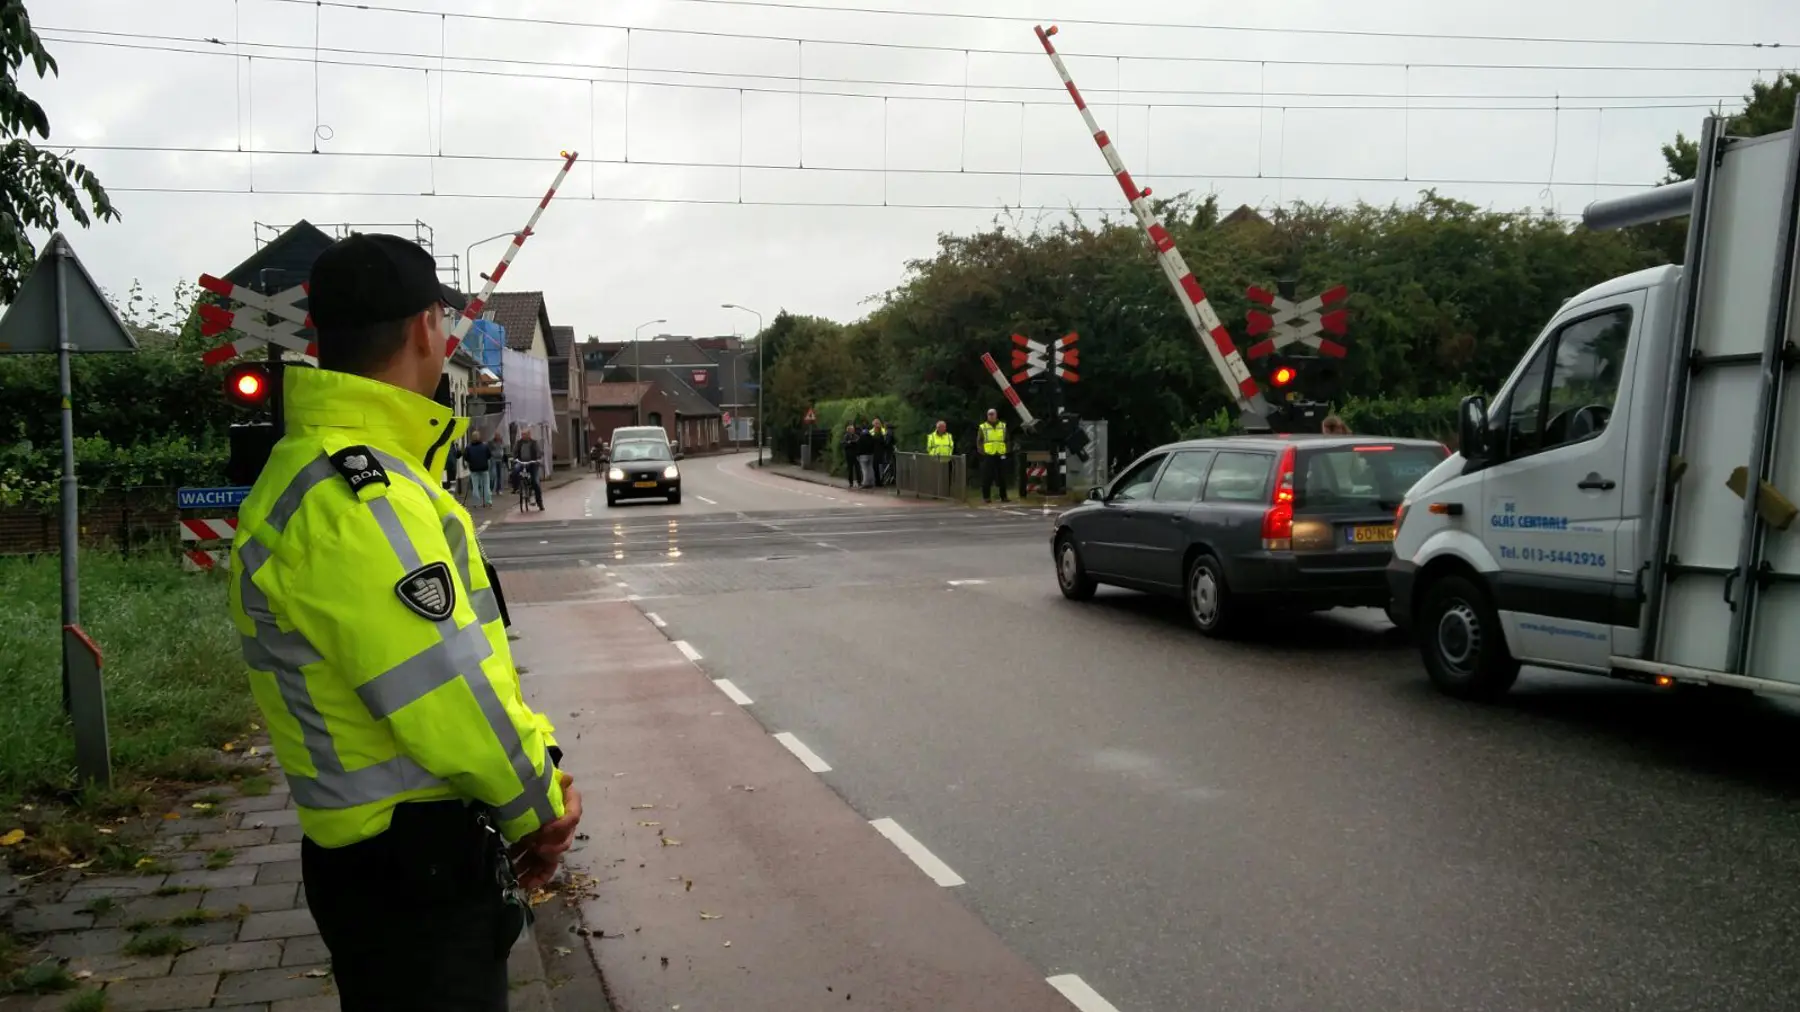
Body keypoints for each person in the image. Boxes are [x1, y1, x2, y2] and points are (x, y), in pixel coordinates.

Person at [226, 232, 581, 1012]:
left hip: (375, 859)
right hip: (412, 863)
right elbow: (444, 686)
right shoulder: (364, 495)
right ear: (427, 328)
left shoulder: (313, 469)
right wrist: (539, 802)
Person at [977, 408, 1010, 504]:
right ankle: (986, 497)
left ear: (996, 415)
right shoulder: (983, 427)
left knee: (1002, 476)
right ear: (987, 416)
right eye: (989, 414)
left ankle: (1004, 496)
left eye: (992, 414)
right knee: (987, 476)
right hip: (988, 454)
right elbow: (979, 441)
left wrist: (1006, 450)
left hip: (1000, 453)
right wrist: (982, 451)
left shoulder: (1003, 426)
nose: (991, 416)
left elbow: (1007, 439)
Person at [513, 428, 544, 510]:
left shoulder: (534, 443)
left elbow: (539, 452)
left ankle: (539, 502)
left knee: (535, 482)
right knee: (515, 470)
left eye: (525, 434)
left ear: (529, 435)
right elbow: (515, 452)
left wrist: (538, 459)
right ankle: (516, 487)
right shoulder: (519, 443)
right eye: (522, 435)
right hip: (522, 463)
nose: (523, 436)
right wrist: (515, 459)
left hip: (532, 464)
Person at [465, 428, 494, 507]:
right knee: (486, 485)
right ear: (479, 437)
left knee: (475, 486)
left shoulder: (468, 447)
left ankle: (476, 503)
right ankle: (488, 501)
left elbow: (466, 458)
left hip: (474, 469)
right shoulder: (484, 446)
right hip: (484, 468)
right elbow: (489, 456)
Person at [869, 417, 894, 487]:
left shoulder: (883, 431)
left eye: (878, 423)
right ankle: (878, 481)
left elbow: (885, 441)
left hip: (882, 452)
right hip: (875, 452)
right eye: (875, 423)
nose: (877, 425)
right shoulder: (871, 431)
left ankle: (881, 481)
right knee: (877, 467)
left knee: (882, 467)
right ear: (873, 424)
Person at [853, 422, 877, 493]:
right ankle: (872, 482)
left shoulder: (861, 439)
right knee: (870, 468)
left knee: (864, 469)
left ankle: (865, 483)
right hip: (871, 455)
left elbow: (859, 447)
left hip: (863, 455)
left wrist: (857, 455)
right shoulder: (871, 438)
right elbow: (874, 446)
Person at [841, 423, 862, 488]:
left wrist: (851, 442)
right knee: (850, 469)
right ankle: (851, 482)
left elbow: (858, 443)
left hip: (855, 455)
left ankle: (859, 482)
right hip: (849, 455)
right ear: (848, 430)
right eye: (851, 429)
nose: (852, 430)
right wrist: (850, 443)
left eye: (853, 429)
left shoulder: (856, 436)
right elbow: (844, 444)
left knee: (858, 469)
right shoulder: (845, 436)